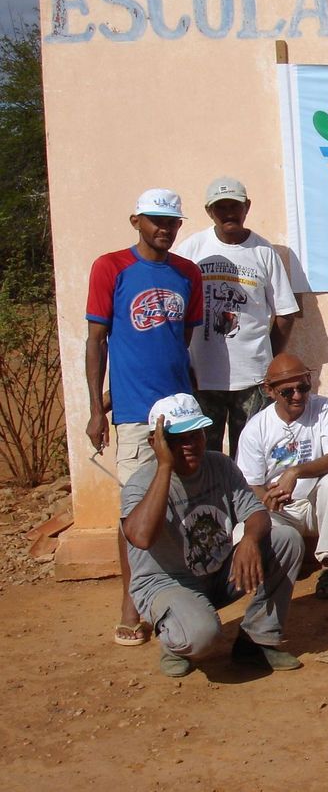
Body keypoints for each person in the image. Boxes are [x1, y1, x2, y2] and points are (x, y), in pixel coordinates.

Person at [86, 188, 204, 648]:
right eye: (156, 220)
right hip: (134, 414)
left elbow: (180, 342)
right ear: (136, 220)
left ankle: (181, 586)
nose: (165, 229)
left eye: (173, 222)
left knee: (182, 501)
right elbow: (97, 341)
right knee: (134, 508)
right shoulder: (110, 267)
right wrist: (99, 408)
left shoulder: (187, 273)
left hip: (181, 410)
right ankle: (131, 604)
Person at [122, 394, 302, 677]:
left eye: (196, 435)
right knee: (203, 637)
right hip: (167, 584)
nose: (190, 445)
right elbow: (141, 537)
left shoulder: (220, 465)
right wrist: (165, 467)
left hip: (216, 573)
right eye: (177, 439)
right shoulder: (141, 483)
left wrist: (251, 541)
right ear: (156, 444)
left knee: (286, 540)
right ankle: (176, 638)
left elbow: (255, 512)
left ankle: (256, 640)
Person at [177, 176, 300, 457]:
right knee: (203, 456)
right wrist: (183, 360)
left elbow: (285, 313)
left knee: (250, 456)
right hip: (202, 377)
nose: (228, 213)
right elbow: (176, 310)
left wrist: (266, 360)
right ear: (209, 211)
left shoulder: (263, 252)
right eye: (220, 207)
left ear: (247, 207)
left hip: (252, 381)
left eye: (234, 205)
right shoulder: (191, 250)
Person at [236, 353, 328, 599]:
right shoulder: (256, 428)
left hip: (315, 507)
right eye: (288, 391)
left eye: (303, 387)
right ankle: (283, 563)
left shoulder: (324, 408)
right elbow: (251, 484)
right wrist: (268, 497)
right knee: (240, 534)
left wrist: (295, 472)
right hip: (280, 512)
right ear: (269, 390)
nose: (298, 396)